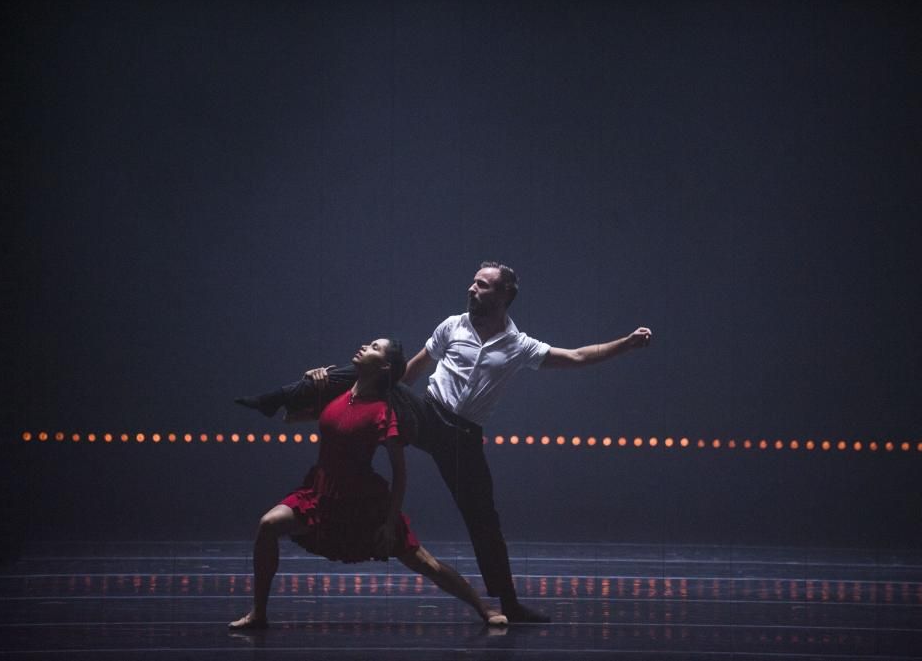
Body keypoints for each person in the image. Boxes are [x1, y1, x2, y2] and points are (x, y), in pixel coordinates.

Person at [308, 261, 652, 623]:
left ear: (504, 295)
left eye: (482, 285)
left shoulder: (519, 345)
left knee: (484, 521)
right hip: (428, 412)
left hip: (462, 438)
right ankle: (306, 392)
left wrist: (626, 344)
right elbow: (411, 369)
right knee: (380, 370)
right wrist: (383, 394)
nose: (472, 289)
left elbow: (578, 356)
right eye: (472, 283)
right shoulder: (451, 326)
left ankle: (509, 603)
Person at [229, 337, 506, 630]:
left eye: (374, 347)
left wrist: (389, 523)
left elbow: (400, 474)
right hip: (319, 492)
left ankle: (485, 608)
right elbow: (290, 418)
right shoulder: (339, 395)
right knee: (268, 525)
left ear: (385, 366)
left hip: (362, 502)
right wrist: (313, 382)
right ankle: (258, 613)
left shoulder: (384, 412)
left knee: (426, 564)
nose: (364, 346)